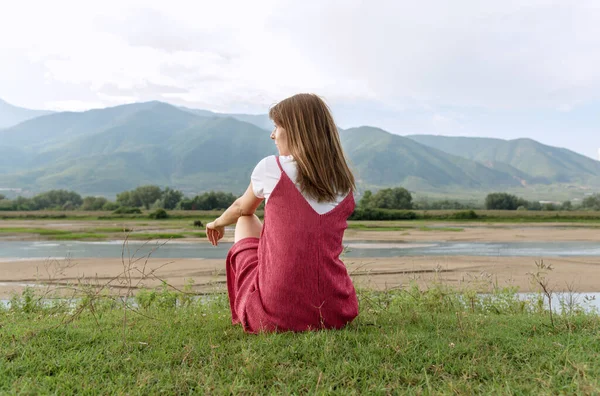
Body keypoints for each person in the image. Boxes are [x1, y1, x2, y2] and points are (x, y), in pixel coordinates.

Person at [205, 93, 358, 333]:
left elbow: (240, 208)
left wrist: (216, 223)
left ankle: (260, 296)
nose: (273, 134)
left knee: (247, 217)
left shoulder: (272, 167)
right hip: (335, 313)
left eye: (277, 126)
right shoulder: (343, 180)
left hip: (275, 316)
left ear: (296, 130)